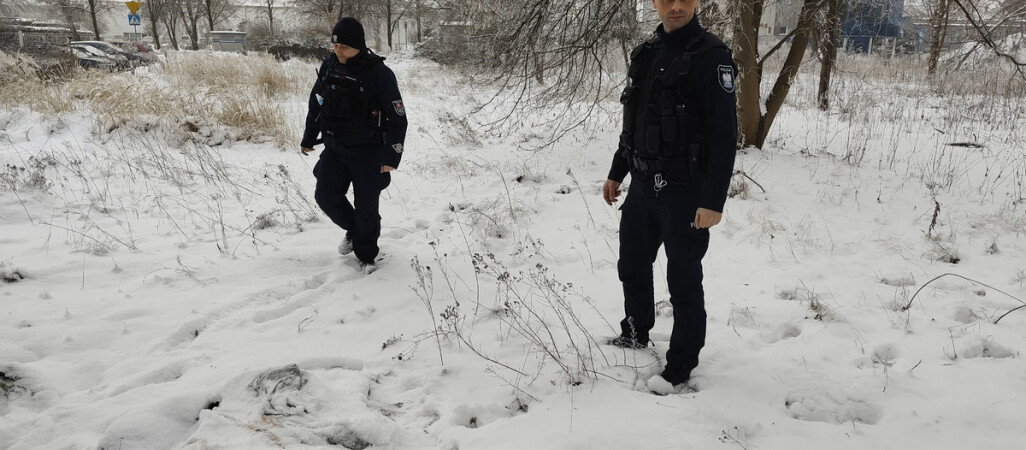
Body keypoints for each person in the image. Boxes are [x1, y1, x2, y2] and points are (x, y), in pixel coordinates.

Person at [602, 0, 737, 392]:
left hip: (685, 190)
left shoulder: (713, 57)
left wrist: (713, 200)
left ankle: (680, 363)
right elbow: (635, 121)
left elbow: (724, 137)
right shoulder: (646, 53)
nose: (675, 6)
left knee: (682, 280)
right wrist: (617, 171)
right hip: (643, 185)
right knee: (631, 265)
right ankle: (635, 331)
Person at [301, 17, 408, 274]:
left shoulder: (379, 73)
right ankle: (355, 229)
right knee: (325, 196)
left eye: (344, 47)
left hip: (369, 153)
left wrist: (391, 157)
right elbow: (317, 103)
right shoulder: (328, 66)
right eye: (335, 45)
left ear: (358, 45)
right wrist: (308, 136)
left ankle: (367, 256)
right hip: (336, 149)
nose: (338, 51)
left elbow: (398, 119)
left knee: (366, 207)